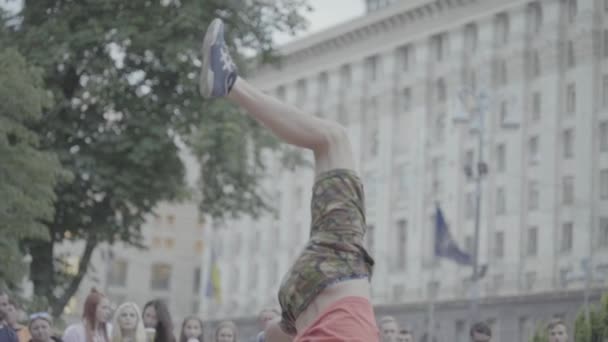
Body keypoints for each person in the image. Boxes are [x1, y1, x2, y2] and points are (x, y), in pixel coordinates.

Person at [199, 17, 377, 342]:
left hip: (337, 272)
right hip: (298, 306)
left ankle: (229, 82)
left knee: (332, 139)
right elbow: (272, 335)